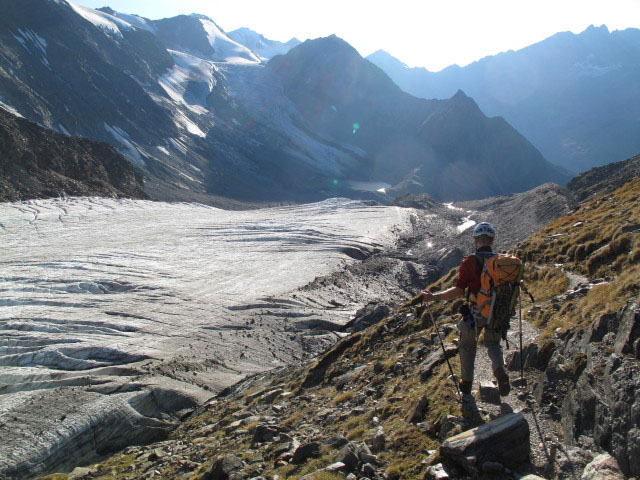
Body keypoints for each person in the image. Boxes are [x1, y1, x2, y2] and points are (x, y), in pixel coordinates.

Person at [420, 222, 510, 396]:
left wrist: (435, 297)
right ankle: (500, 373)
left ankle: (466, 384)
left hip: (477, 312)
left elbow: (458, 290)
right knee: (493, 343)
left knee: (467, 346)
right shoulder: (502, 262)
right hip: (498, 311)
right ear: (492, 240)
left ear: (476, 240)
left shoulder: (469, 262)